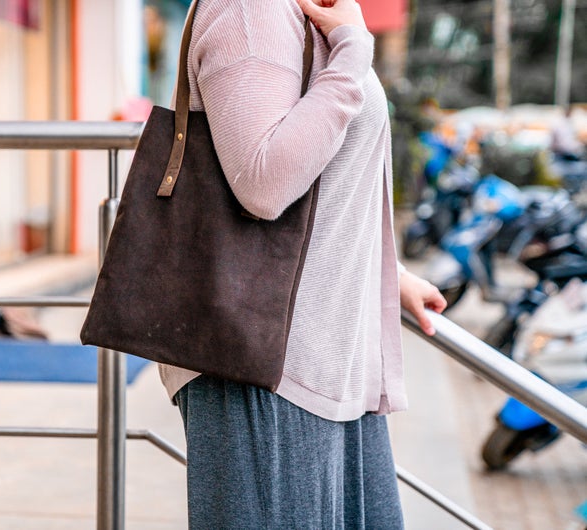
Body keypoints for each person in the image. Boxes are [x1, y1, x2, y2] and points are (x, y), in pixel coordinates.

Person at [158, 0, 448, 527]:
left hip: (326, 359)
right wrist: (354, 51)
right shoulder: (251, 10)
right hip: (264, 365)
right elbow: (264, 183)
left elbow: (332, 175)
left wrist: (389, 273)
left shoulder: (309, 14)